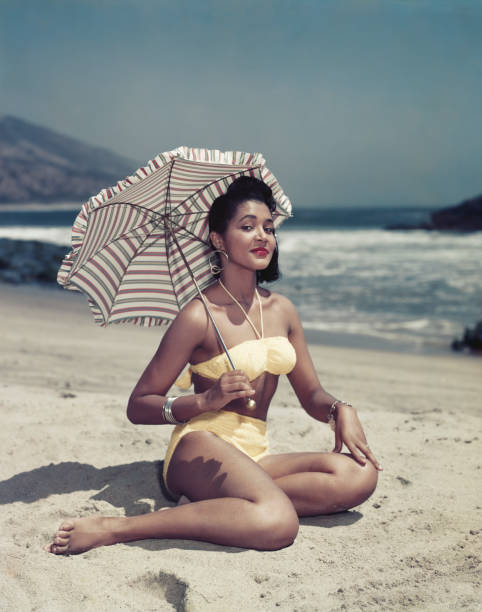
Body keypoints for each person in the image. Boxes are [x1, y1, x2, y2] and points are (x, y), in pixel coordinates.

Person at [46, 176, 381, 555]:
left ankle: (219, 508)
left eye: (268, 228)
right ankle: (119, 528)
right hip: (200, 447)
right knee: (278, 523)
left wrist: (341, 409)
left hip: (256, 454)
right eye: (247, 227)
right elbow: (139, 404)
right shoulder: (197, 316)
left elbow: (311, 394)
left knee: (359, 474)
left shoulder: (282, 310)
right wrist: (204, 402)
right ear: (219, 240)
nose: (263, 237)